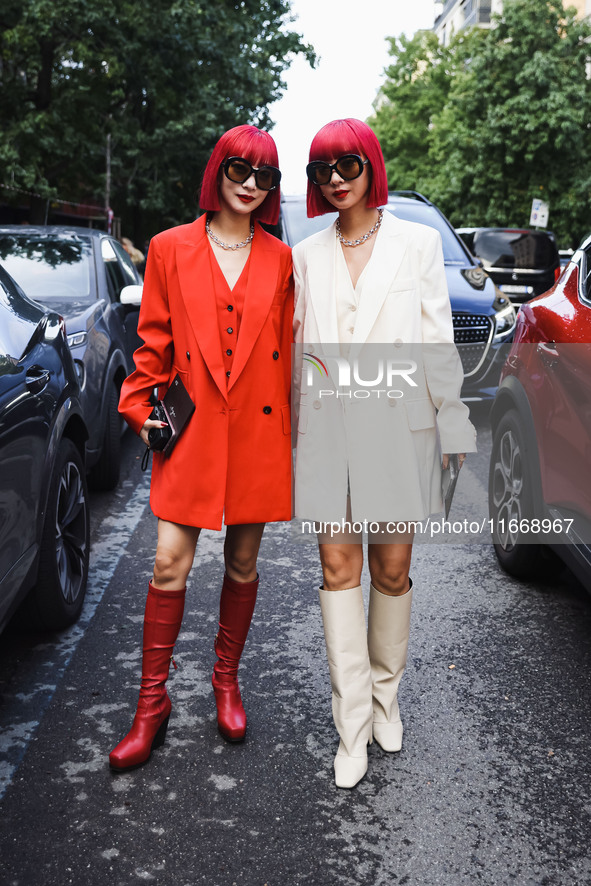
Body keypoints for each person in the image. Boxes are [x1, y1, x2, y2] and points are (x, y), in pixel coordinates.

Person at [292, 118, 476, 789]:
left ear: (370, 166)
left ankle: (384, 698)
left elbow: (434, 341)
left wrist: (453, 421)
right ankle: (351, 727)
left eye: (346, 164)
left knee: (391, 571)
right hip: (328, 429)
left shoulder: (418, 244)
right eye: (322, 169)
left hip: (401, 427)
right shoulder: (304, 255)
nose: (335, 178)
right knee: (338, 569)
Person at [109, 125, 293, 771]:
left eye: (263, 175)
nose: (249, 183)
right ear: (217, 171)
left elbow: (296, 354)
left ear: (272, 187)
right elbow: (152, 342)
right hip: (191, 431)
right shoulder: (168, 247)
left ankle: (225, 681)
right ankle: (150, 705)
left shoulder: (281, 258)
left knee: (242, 566)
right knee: (168, 565)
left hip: (256, 430)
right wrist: (136, 405)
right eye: (239, 169)